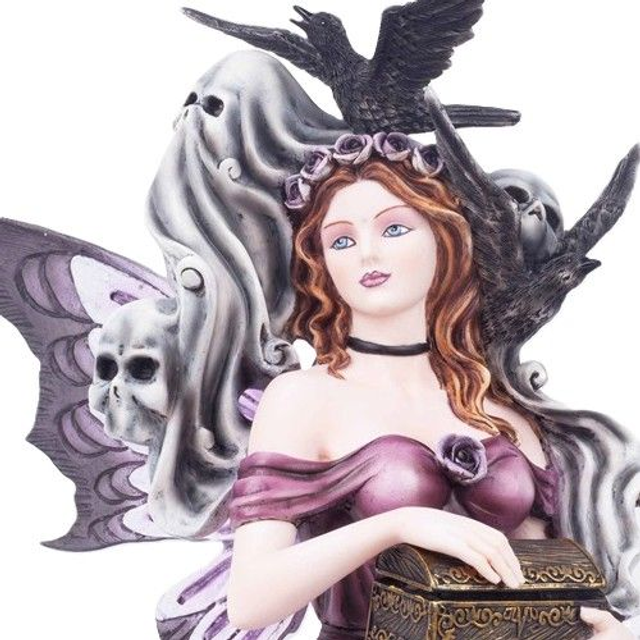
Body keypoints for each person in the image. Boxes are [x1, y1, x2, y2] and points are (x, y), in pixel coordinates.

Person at [222, 135, 636, 639]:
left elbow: (539, 578)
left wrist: (592, 627)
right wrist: (397, 526)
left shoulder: (497, 403)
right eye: (342, 240)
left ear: (444, 237)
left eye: (394, 228)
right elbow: (251, 599)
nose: (367, 253)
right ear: (320, 261)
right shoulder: (304, 398)